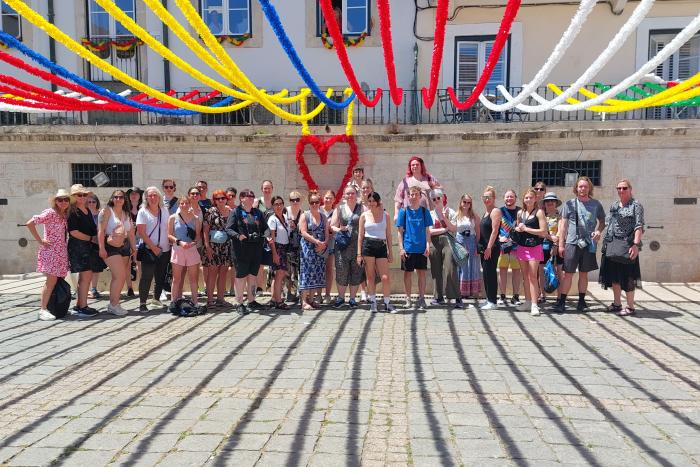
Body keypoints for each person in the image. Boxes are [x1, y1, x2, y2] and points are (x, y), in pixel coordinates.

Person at [555, 176, 606, 313]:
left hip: (589, 244)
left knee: (584, 274)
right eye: (580, 186)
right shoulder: (569, 204)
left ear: (589, 188)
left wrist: (598, 231)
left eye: (585, 186)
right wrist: (561, 245)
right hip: (572, 243)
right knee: (568, 274)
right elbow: (563, 227)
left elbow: (602, 221)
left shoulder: (596, 204)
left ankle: (582, 301)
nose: (583, 189)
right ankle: (562, 301)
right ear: (576, 188)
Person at [599, 179, 644, 316]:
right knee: (614, 277)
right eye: (619, 188)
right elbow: (608, 223)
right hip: (612, 244)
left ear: (630, 189)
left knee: (628, 276)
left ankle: (630, 307)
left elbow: (639, 226)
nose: (621, 191)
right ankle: (617, 304)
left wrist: (636, 245)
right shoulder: (614, 205)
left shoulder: (636, 205)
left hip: (627, 245)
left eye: (624, 188)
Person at [26, 188, 70, 321]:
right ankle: (43, 309)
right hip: (51, 252)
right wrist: (40, 240)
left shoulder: (64, 215)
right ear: (55, 201)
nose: (63, 202)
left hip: (60, 252)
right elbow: (30, 223)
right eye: (60, 199)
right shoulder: (50, 213)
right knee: (50, 281)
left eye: (66, 199)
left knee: (55, 281)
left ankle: (52, 307)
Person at [226, 189, 268, 314]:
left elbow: (265, 228)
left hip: (255, 249)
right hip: (241, 249)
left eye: (252, 196)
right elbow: (228, 229)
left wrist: (266, 235)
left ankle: (251, 300)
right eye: (247, 196)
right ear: (241, 198)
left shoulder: (258, 213)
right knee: (241, 276)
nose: (250, 198)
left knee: (252, 276)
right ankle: (239, 302)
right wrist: (239, 236)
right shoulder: (235, 212)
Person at [98, 189, 136, 316]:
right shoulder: (107, 211)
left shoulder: (127, 213)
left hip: (124, 246)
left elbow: (130, 232)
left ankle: (115, 303)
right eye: (115, 197)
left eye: (121, 197)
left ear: (124, 199)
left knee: (120, 277)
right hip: (110, 245)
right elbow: (101, 231)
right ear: (112, 198)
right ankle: (113, 305)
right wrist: (101, 248)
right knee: (119, 275)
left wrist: (133, 248)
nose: (118, 199)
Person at [67, 184, 101, 318]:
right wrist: (91, 238)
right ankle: (82, 307)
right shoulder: (73, 211)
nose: (82, 197)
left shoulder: (86, 209)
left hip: (87, 247)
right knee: (86, 277)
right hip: (78, 247)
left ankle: (79, 305)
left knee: (85, 277)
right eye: (79, 195)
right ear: (73, 197)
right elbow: (74, 232)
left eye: (84, 195)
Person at [357, 191, 395, 313]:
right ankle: (373, 302)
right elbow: (360, 236)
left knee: (385, 277)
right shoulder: (364, 216)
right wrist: (359, 254)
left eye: (374, 201)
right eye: (370, 201)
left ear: (378, 202)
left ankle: (387, 302)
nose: (372, 203)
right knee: (370, 276)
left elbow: (389, 235)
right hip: (368, 245)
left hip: (381, 245)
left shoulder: (386, 215)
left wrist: (391, 252)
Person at [396, 185, 433, 310]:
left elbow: (428, 230)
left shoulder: (424, 211)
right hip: (408, 248)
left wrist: (428, 245)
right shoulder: (403, 211)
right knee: (408, 274)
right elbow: (399, 231)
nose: (413, 196)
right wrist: (401, 248)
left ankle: (421, 299)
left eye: (415, 194)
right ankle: (408, 299)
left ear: (419, 196)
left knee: (422, 274)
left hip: (421, 248)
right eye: (411, 194)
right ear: (408, 196)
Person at [135, 186, 171, 312]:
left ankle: (156, 299)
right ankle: (143, 303)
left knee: (160, 276)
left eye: (155, 195)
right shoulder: (142, 211)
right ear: (146, 197)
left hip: (164, 249)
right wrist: (153, 247)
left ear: (159, 197)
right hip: (149, 249)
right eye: (150, 195)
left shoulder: (164, 210)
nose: (152, 197)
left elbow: (168, 227)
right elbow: (141, 232)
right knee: (147, 276)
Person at [513, 188, 547, 316]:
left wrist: (526, 228)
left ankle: (534, 304)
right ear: (523, 199)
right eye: (526, 197)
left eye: (530, 197)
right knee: (525, 276)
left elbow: (543, 232)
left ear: (535, 199)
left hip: (534, 247)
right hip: (522, 247)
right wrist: (518, 228)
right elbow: (518, 228)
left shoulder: (539, 212)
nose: (528, 200)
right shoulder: (520, 213)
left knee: (533, 276)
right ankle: (527, 301)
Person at [428, 188, 462, 308]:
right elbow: (429, 231)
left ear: (442, 198)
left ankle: (457, 297)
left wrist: (444, 217)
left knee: (450, 268)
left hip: (448, 242)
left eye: (438, 198)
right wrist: (444, 230)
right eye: (434, 199)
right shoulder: (430, 214)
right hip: (434, 242)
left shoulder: (451, 212)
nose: (436, 200)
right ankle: (438, 297)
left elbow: (453, 229)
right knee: (435, 271)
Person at [331, 185, 364, 308]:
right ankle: (340, 298)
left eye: (352, 193)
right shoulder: (339, 208)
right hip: (342, 246)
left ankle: (352, 299)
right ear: (344, 195)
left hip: (357, 245)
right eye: (348, 194)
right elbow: (332, 225)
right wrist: (340, 229)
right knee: (341, 271)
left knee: (356, 271)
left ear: (356, 195)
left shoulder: (362, 208)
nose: (350, 196)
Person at [167, 197, 201, 305]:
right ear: (179, 205)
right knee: (176, 278)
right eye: (182, 203)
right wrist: (179, 242)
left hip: (191, 249)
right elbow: (169, 235)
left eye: (186, 203)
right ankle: (173, 302)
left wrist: (191, 244)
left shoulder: (196, 219)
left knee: (193, 278)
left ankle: (195, 302)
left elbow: (197, 237)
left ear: (190, 204)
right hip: (178, 249)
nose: (184, 205)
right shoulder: (172, 218)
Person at [299, 192, 329, 310]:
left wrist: (324, 244)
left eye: (317, 202)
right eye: (312, 202)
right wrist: (316, 242)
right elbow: (303, 232)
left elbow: (327, 233)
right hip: (307, 248)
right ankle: (303, 301)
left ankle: (311, 299)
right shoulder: (305, 215)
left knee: (316, 274)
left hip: (319, 249)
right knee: (306, 273)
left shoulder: (323, 216)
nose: (315, 204)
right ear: (309, 203)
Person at [203, 189, 233, 307]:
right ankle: (210, 300)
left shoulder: (230, 211)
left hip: (226, 246)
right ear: (214, 200)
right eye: (218, 198)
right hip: (213, 246)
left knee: (224, 272)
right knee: (212, 272)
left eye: (223, 198)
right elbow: (205, 230)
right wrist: (207, 246)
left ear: (226, 199)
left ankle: (220, 299)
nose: (221, 200)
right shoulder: (210, 211)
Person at [393, 156, 440, 222]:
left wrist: (434, 186)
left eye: (417, 164)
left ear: (421, 166)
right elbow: (398, 200)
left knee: (427, 231)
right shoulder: (405, 182)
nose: (415, 166)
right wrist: (396, 214)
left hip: (427, 214)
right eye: (412, 165)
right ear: (410, 167)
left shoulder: (429, 178)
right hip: (410, 216)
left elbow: (440, 194)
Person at [498, 189, 522, 306]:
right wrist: (499, 237)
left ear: (515, 198)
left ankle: (516, 296)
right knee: (502, 270)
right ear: (504, 198)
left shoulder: (520, 212)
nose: (509, 199)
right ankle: (502, 296)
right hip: (503, 246)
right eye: (507, 197)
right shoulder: (499, 211)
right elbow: (494, 227)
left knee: (516, 271)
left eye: (511, 197)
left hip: (516, 247)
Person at [479, 186, 502, 310]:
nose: (486, 199)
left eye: (489, 197)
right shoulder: (485, 212)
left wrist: (489, 248)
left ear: (493, 198)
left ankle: (493, 301)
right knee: (486, 274)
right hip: (484, 248)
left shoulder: (495, 211)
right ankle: (489, 299)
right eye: (484, 197)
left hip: (491, 248)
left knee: (491, 273)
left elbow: (494, 231)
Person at [455, 194, 481, 301]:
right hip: (460, 241)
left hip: (471, 240)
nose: (466, 204)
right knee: (461, 265)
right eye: (464, 202)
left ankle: (470, 291)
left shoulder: (474, 216)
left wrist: (477, 246)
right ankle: (461, 291)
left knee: (472, 265)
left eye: (468, 202)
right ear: (461, 202)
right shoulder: (456, 215)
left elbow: (478, 232)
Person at [268, 196, 290, 310]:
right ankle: (278, 301)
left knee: (279, 275)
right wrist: (275, 254)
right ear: (273, 206)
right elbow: (271, 238)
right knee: (279, 274)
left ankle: (274, 299)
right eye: (276, 204)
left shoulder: (285, 217)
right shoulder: (272, 219)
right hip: (277, 248)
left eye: (281, 203)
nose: (279, 206)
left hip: (284, 248)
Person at [253, 180, 275, 294]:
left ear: (272, 189)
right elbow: (251, 216)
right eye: (265, 188)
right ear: (261, 189)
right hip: (260, 237)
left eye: (269, 188)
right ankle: (259, 287)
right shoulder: (257, 202)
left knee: (273, 262)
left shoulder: (275, 202)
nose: (267, 190)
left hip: (272, 237)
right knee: (259, 263)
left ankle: (272, 289)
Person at [541, 192, 563, 301]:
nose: (550, 203)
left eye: (552, 201)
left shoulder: (560, 216)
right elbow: (541, 232)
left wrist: (555, 244)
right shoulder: (541, 216)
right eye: (547, 201)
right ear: (544, 203)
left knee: (558, 272)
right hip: (543, 247)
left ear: (556, 203)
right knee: (541, 271)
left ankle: (560, 298)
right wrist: (550, 238)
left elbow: (560, 231)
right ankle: (542, 295)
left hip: (556, 247)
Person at [285, 191, 303, 303]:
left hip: (298, 245)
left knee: (296, 270)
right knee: (287, 270)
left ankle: (295, 292)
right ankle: (287, 292)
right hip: (286, 244)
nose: (295, 202)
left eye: (297, 199)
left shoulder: (303, 213)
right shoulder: (285, 211)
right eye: (292, 200)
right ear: (289, 201)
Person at [126, 186, 143, 297]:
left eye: (136, 193)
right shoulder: (125, 210)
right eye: (131, 193)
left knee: (139, 263)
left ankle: (142, 287)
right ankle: (129, 288)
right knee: (127, 264)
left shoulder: (143, 209)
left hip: (140, 239)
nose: (134, 195)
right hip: (127, 239)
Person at [321, 190, 336, 304]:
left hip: (330, 243)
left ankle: (327, 294)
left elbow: (336, 227)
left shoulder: (335, 212)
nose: (328, 200)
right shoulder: (318, 209)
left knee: (329, 269)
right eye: (326, 197)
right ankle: (317, 294)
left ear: (334, 200)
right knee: (318, 269)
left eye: (330, 198)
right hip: (318, 243)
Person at [87, 193, 102, 299]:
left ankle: (94, 289)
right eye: (89, 202)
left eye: (94, 201)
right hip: (86, 243)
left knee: (96, 268)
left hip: (97, 244)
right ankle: (84, 290)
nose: (91, 204)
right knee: (85, 269)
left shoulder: (101, 214)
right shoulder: (83, 214)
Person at [225, 186, 238, 295]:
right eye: (228, 196)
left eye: (232, 196)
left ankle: (233, 288)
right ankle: (222, 288)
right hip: (222, 241)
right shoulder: (220, 207)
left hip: (234, 240)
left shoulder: (237, 209)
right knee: (223, 266)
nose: (230, 198)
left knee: (233, 266)